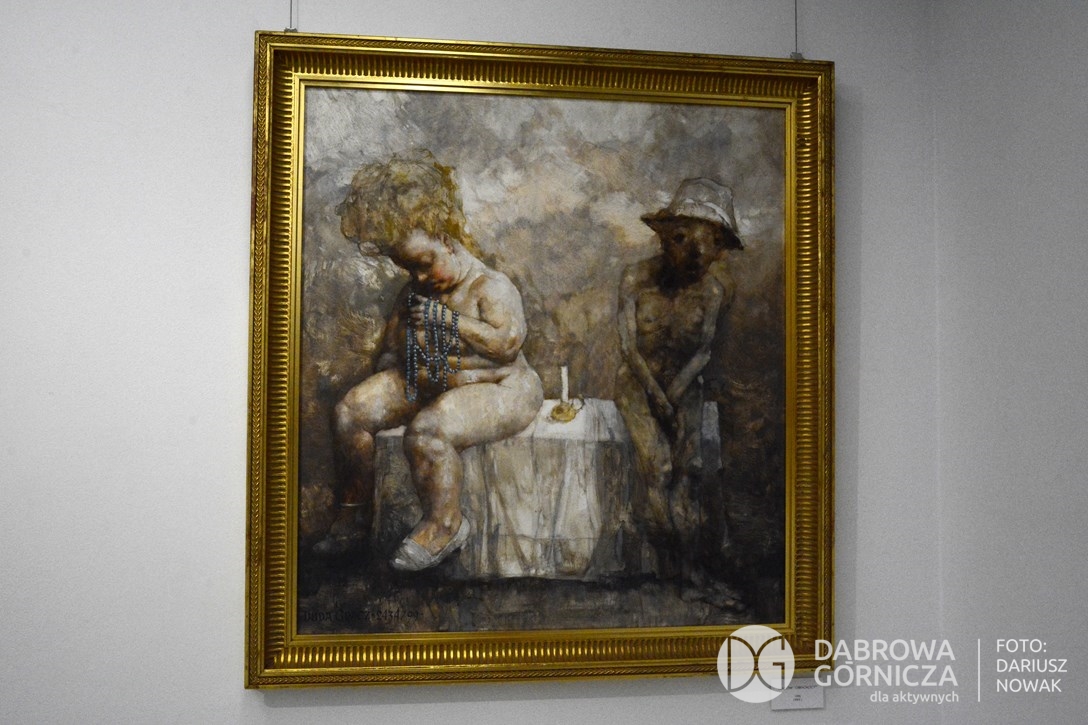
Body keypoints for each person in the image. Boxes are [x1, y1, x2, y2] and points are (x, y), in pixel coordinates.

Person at [318, 150, 543, 571]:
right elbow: (388, 352)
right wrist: (404, 364)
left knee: (427, 431)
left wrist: (449, 322)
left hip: (501, 388)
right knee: (349, 412)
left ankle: (445, 525)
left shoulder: (489, 286)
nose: (419, 279)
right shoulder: (415, 292)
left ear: (446, 238)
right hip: (434, 381)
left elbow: (506, 346)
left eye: (423, 265)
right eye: (410, 270)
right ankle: (355, 513)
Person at [615, 177, 743, 579]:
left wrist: (676, 392)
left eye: (707, 246)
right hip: (638, 385)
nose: (693, 255)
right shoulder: (634, 279)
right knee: (658, 467)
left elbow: (703, 351)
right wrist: (656, 395)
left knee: (687, 472)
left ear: (718, 250)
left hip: (685, 386)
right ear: (665, 238)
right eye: (682, 240)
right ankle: (666, 561)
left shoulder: (714, 293)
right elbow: (629, 347)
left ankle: (686, 565)